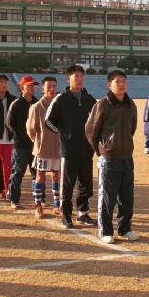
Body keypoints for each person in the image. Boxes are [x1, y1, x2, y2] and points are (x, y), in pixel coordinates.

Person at [85, 70, 139, 244]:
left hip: (126, 157)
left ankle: (125, 228)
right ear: (109, 84)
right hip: (109, 158)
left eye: (124, 81)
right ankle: (105, 230)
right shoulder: (102, 105)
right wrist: (101, 150)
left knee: (127, 197)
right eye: (117, 81)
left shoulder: (131, 105)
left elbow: (132, 128)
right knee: (107, 197)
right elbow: (91, 130)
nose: (121, 84)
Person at [45, 64, 97, 229]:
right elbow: (48, 121)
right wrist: (64, 133)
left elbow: (97, 122)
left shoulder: (90, 100)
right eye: (76, 76)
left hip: (86, 150)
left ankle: (83, 213)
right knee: (67, 184)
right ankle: (66, 215)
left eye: (82, 76)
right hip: (69, 151)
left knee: (86, 183)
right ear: (68, 79)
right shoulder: (61, 99)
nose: (79, 79)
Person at [26, 76, 61, 218]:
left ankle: (57, 204)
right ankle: (38, 205)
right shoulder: (36, 107)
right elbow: (30, 129)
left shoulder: (60, 106)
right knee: (40, 175)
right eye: (49, 86)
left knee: (56, 175)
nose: (52, 89)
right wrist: (39, 142)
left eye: (54, 86)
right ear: (42, 88)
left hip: (58, 149)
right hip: (42, 149)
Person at [6, 75, 38, 210]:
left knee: (36, 172)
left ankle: (38, 199)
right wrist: (19, 135)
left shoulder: (37, 102)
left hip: (35, 144)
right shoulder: (16, 103)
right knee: (18, 172)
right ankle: (14, 198)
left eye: (33, 85)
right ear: (22, 87)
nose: (32, 88)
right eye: (29, 85)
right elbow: (9, 123)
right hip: (21, 144)